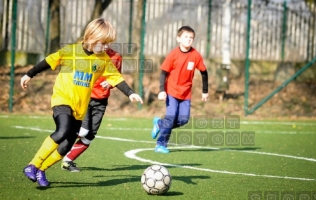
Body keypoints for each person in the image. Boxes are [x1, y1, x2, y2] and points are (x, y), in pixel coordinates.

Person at [21, 18, 143, 187]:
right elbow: (49, 61)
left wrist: (130, 93)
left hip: (80, 108)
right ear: (92, 37)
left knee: (65, 147)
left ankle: (42, 170)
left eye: (109, 43)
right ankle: (32, 165)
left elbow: (116, 78)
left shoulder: (103, 60)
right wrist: (29, 74)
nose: (107, 47)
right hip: (62, 99)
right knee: (62, 130)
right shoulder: (71, 51)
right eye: (104, 43)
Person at [61, 46, 122, 172]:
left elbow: (116, 77)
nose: (104, 45)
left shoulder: (116, 57)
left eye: (107, 41)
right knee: (83, 131)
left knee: (89, 136)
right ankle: (58, 141)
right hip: (86, 97)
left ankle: (67, 161)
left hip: (101, 101)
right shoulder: (89, 54)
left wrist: (110, 84)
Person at [151, 26, 208, 154]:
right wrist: (161, 90)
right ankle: (161, 144)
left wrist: (205, 91)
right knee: (171, 118)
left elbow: (204, 72)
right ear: (178, 39)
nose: (189, 40)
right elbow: (163, 73)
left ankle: (160, 124)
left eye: (191, 38)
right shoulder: (173, 55)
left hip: (186, 94)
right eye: (186, 37)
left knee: (183, 120)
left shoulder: (196, 55)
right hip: (171, 91)